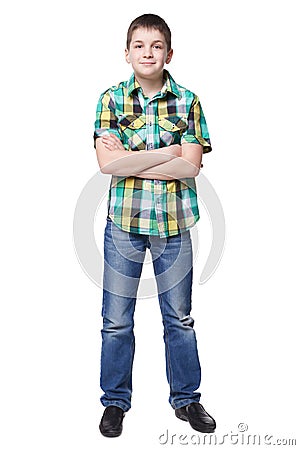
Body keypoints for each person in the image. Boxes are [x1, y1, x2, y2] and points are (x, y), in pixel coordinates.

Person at [93, 13, 216, 438]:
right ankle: (114, 403)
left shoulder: (188, 101)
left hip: (175, 225)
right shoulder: (110, 101)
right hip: (123, 224)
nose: (148, 53)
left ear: (169, 53)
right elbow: (108, 164)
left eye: (156, 46)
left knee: (178, 318)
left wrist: (135, 160)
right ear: (127, 53)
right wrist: (169, 154)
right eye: (139, 46)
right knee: (116, 319)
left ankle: (187, 399)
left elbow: (192, 167)